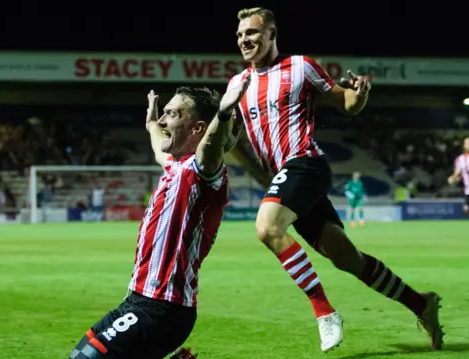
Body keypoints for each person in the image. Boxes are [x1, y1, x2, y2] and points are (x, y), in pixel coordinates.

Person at [229, 7, 443, 352]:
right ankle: (421, 304)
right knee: (347, 258)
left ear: (271, 33)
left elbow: (344, 100)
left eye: (251, 33)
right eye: (239, 35)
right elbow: (236, 139)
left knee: (268, 228)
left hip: (306, 163)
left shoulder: (300, 66)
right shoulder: (239, 84)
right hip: (285, 177)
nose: (244, 40)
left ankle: (324, 313)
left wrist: (358, 95)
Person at [68, 81, 249, 359]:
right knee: (79, 353)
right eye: (164, 112)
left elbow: (211, 147)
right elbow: (157, 145)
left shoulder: (203, 172)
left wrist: (224, 115)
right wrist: (152, 123)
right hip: (138, 300)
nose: (164, 120)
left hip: (163, 308)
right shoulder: (174, 164)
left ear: (198, 128)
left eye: (173, 114)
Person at [448, 136, 469, 215]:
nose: (468, 144)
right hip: (467, 191)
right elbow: (457, 173)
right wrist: (452, 178)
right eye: (466, 143)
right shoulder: (460, 159)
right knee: (465, 210)